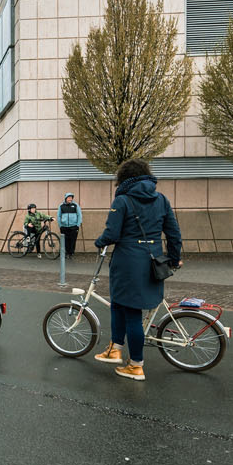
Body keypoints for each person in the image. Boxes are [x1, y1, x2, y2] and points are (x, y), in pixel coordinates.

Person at [92, 159, 183, 382]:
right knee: (120, 305)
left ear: (123, 178)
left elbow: (112, 234)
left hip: (128, 262)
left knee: (131, 313)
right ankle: (115, 348)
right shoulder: (161, 199)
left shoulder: (122, 200)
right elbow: (174, 233)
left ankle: (136, 365)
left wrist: (99, 242)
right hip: (152, 261)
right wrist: (174, 258)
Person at [58, 192, 83, 258]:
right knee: (66, 240)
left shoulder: (75, 205)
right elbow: (59, 216)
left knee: (73, 240)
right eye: (69, 198)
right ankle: (66, 253)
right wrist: (60, 225)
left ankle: (71, 253)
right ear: (66, 198)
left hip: (74, 226)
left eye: (71, 198)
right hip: (64, 226)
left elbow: (79, 215)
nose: (70, 199)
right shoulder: (61, 206)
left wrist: (78, 225)